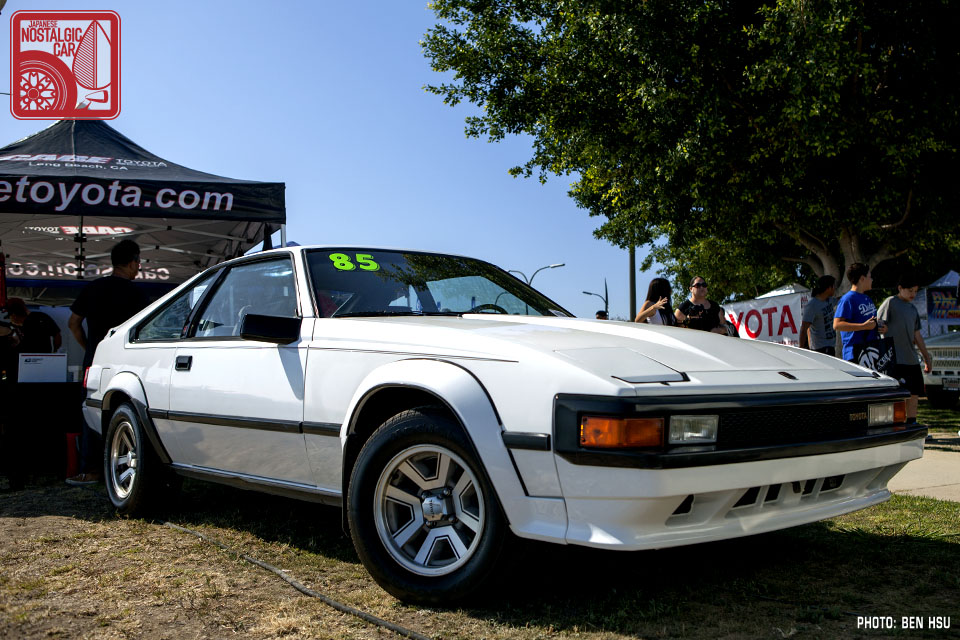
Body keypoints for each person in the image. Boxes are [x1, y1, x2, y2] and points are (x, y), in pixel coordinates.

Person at [66, 240, 148, 486]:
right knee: (126, 412)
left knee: (91, 410)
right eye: (138, 263)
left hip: (95, 361)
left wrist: (90, 347)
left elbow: (73, 323)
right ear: (132, 262)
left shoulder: (93, 287)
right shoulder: (137, 293)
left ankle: (90, 470)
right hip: (127, 363)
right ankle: (121, 466)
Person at [878, 273, 932, 423]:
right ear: (900, 288)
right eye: (910, 290)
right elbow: (878, 324)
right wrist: (882, 328)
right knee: (898, 396)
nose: (913, 294)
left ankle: (912, 423)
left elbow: (917, 335)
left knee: (914, 394)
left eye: (915, 291)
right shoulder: (890, 302)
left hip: (911, 359)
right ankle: (897, 425)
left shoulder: (912, 309)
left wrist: (926, 358)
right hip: (895, 360)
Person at [833, 262, 887, 362]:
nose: (872, 280)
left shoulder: (867, 298)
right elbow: (837, 325)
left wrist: (880, 327)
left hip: (873, 350)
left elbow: (870, 321)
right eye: (869, 277)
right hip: (855, 353)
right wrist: (863, 326)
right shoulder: (847, 299)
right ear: (862, 278)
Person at [799, 276, 837, 355]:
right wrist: (801, 351)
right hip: (820, 349)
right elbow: (804, 329)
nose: (835, 289)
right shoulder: (812, 305)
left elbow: (841, 300)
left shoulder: (830, 300)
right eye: (833, 286)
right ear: (828, 288)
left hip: (831, 347)